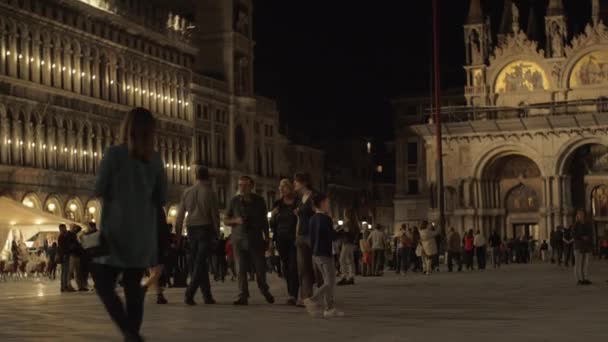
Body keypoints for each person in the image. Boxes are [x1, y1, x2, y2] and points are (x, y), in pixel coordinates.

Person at [92, 107, 167, 342]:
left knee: (103, 283)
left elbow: (99, 188)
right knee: (134, 287)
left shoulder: (114, 154)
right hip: (144, 234)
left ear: (127, 127)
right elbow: (161, 198)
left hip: (116, 231)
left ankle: (129, 332)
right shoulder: (155, 159)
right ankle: (132, 334)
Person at [225, 176, 275, 305]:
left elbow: (264, 221)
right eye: (240, 185)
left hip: (255, 238)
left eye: (245, 185)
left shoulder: (259, 201)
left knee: (260, 268)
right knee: (240, 268)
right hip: (238, 238)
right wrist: (236, 220)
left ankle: (264, 290)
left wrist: (268, 238)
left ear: (251, 186)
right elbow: (226, 219)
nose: (242, 188)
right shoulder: (234, 201)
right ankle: (243, 295)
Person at [175, 166, 220, 306]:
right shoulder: (210, 192)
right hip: (204, 228)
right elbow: (214, 215)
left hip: (191, 229)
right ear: (207, 177)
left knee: (198, 262)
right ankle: (189, 293)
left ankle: (207, 296)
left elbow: (180, 215)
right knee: (200, 263)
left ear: (196, 177)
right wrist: (216, 232)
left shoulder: (187, 191)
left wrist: (178, 235)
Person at [304, 193, 344, 318]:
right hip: (325, 253)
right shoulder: (326, 219)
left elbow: (311, 237)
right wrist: (342, 230)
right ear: (321, 203)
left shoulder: (312, 219)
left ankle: (329, 308)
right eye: (327, 202)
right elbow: (331, 236)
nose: (329, 204)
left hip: (316, 254)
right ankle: (312, 299)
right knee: (330, 281)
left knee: (328, 281)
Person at [270, 178, 300, 305]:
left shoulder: (297, 203)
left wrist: (298, 214)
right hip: (281, 239)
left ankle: (293, 294)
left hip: (294, 239)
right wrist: (273, 215)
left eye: (284, 186)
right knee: (286, 267)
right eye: (280, 187)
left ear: (290, 188)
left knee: (293, 266)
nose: (281, 189)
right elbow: (272, 224)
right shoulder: (277, 204)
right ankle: (290, 292)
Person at [294, 173, 316, 306]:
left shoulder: (313, 197)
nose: (294, 185)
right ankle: (304, 297)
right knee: (302, 268)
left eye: (296, 182)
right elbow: (299, 219)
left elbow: (320, 213)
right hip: (301, 235)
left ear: (304, 183)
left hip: (312, 235)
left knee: (316, 267)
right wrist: (296, 235)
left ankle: (321, 293)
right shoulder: (299, 199)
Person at [337, 208, 359, 285]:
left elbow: (346, 232)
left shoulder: (348, 223)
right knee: (350, 260)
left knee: (342, 259)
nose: (344, 215)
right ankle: (351, 276)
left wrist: (340, 230)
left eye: (344, 213)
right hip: (350, 243)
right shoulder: (354, 223)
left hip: (347, 242)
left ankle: (344, 276)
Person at [573, 210, 593, 285]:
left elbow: (591, 234)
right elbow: (573, 235)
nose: (581, 215)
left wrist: (590, 242)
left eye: (582, 214)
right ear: (577, 216)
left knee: (586, 263)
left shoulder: (588, 224)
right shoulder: (576, 224)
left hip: (586, 246)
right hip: (578, 246)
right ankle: (578, 279)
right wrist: (581, 237)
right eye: (579, 214)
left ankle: (585, 278)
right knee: (578, 263)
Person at [68, 225, 87, 291]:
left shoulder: (75, 236)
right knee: (72, 272)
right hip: (73, 255)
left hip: (77, 255)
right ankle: (69, 285)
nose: (77, 231)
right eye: (75, 229)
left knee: (78, 272)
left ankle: (80, 286)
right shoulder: (71, 235)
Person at [57, 224, 74, 292]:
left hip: (67, 255)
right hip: (65, 256)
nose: (62, 230)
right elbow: (62, 248)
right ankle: (64, 286)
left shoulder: (66, 235)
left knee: (66, 271)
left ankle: (65, 286)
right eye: (61, 229)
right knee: (65, 271)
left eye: (63, 228)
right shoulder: (61, 237)